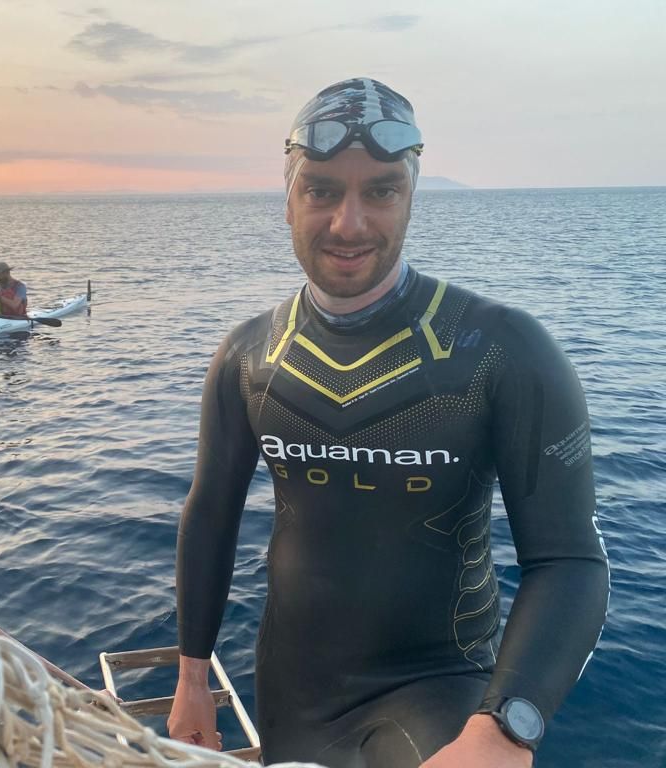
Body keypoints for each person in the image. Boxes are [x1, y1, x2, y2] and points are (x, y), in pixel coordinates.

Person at [168, 77, 610, 768]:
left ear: (410, 198)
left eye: (380, 191)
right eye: (321, 190)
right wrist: (192, 679)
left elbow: (569, 561)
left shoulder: (502, 350)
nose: (349, 224)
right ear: (287, 199)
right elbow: (209, 519)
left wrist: (505, 728)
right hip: (291, 694)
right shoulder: (247, 357)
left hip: (440, 686)